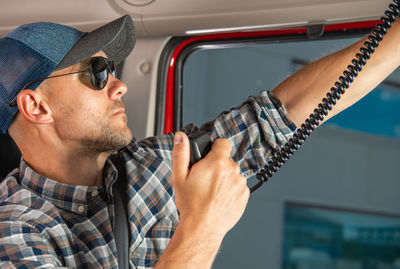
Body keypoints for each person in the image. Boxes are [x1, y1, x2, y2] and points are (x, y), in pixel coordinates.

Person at [0, 13, 398, 268]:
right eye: (98, 73)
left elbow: (283, 111)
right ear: (36, 106)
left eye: (114, 70)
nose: (119, 86)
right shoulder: (15, 233)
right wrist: (204, 226)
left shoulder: (152, 165)